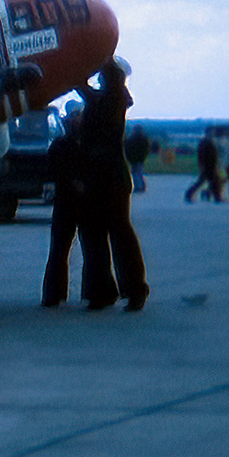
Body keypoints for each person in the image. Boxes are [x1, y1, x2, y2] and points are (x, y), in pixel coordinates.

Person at [76, 58, 149, 311]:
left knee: (109, 234)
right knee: (104, 234)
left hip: (106, 177)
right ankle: (114, 290)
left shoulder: (111, 99)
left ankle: (119, 290)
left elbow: (89, 94)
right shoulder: (112, 98)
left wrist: (78, 71)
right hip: (106, 177)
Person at [42, 109, 88, 307]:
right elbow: (52, 170)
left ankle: (54, 294)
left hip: (72, 201)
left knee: (67, 248)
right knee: (61, 249)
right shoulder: (67, 145)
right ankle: (54, 294)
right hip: (70, 200)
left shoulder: (62, 144)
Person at [186, 127, 222, 203]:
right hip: (207, 166)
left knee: (215, 181)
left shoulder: (212, 141)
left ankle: (217, 197)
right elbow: (201, 155)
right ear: (208, 132)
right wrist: (201, 166)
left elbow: (215, 155)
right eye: (212, 132)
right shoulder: (204, 142)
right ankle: (189, 194)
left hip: (212, 165)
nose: (213, 133)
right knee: (202, 181)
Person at [124, 125, 151, 193]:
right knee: (139, 173)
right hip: (141, 159)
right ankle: (142, 186)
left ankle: (138, 187)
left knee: (135, 173)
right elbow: (147, 149)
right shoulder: (144, 139)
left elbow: (127, 147)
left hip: (134, 159)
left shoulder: (132, 139)